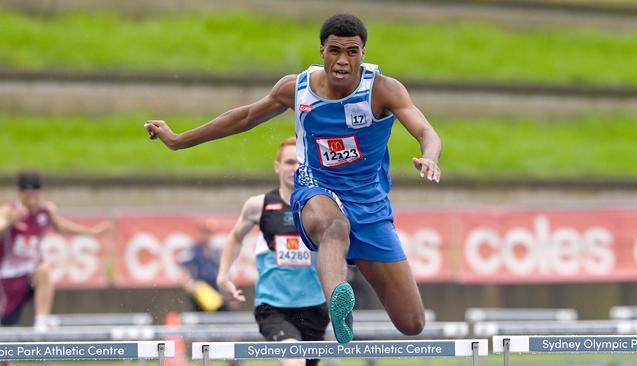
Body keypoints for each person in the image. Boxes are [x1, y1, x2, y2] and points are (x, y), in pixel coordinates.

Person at [145, 13, 442, 344]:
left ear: (363, 53)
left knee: (412, 322)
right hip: (316, 192)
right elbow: (243, 117)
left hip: (369, 205)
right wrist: (178, 139)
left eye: (352, 52)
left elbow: (426, 130)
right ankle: (338, 304)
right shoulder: (296, 89)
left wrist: (430, 155)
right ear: (321, 51)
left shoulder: (383, 91)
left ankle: (344, 293)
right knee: (334, 227)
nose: (342, 61)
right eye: (334, 51)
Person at [217, 137, 328, 366]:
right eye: (289, 162)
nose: (295, 168)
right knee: (293, 360)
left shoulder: (325, 206)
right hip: (273, 307)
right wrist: (223, 276)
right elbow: (235, 237)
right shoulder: (260, 205)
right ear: (277, 166)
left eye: (300, 162)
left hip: (314, 306)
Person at [0, 171, 111, 330]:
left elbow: (62, 226)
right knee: (7, 325)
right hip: (8, 278)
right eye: (27, 197)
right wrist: (11, 221)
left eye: (35, 196)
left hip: (31, 275)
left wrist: (91, 232)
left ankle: (41, 321)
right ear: (20, 194)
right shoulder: (8, 211)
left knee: (44, 270)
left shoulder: (45, 211)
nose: (31, 202)